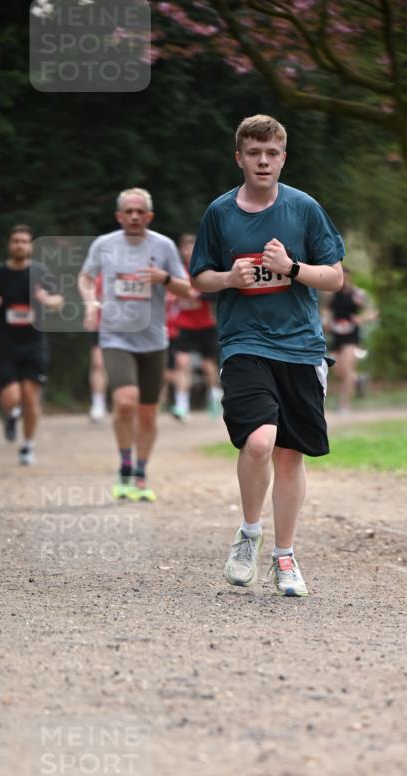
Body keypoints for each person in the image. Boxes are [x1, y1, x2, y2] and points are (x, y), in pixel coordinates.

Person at [190, 114, 344, 597]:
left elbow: (335, 277)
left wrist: (292, 267)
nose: (262, 161)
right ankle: (249, 534)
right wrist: (230, 279)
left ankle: (286, 557)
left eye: (271, 153)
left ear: (282, 158)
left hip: (300, 345)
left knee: (290, 455)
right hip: (244, 342)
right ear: (239, 158)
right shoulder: (220, 213)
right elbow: (199, 279)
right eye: (253, 153)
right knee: (258, 442)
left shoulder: (304, 209)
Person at [78, 188, 190, 501]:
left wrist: (163, 278)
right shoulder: (104, 245)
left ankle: (141, 472)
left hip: (153, 339)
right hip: (115, 335)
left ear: (149, 216)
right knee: (125, 401)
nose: (135, 216)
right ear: (119, 216)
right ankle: (125, 467)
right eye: (129, 211)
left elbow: (187, 291)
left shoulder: (164, 246)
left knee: (147, 413)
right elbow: (86, 278)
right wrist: (90, 303)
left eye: (140, 211)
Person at [0, 225, 63, 465]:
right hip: (4, 344)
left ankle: (27, 445)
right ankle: (11, 416)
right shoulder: (1, 273)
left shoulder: (40, 272)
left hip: (34, 343)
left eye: (24, 241)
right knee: (12, 397)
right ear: (9, 244)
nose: (19, 245)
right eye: (15, 240)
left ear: (30, 246)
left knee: (30, 397)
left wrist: (47, 300)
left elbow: (59, 300)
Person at [169, 233, 223, 421]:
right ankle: (182, 406)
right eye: (185, 248)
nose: (188, 252)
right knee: (181, 363)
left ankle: (215, 399)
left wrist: (196, 296)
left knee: (208, 367)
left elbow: (218, 294)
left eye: (192, 248)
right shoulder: (177, 271)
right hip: (184, 325)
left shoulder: (205, 269)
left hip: (206, 325)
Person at [323, 267, 376, 413]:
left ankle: (344, 404)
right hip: (336, 336)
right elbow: (326, 310)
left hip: (352, 337)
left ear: (349, 278)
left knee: (347, 370)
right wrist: (326, 321)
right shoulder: (331, 295)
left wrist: (362, 318)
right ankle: (358, 380)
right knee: (339, 372)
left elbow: (372, 312)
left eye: (346, 277)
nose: (343, 280)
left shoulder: (357, 294)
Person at [88, 273, 109, 422]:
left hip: (128, 327)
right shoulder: (97, 277)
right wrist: (89, 313)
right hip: (102, 326)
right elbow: (90, 299)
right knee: (98, 364)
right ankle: (98, 403)